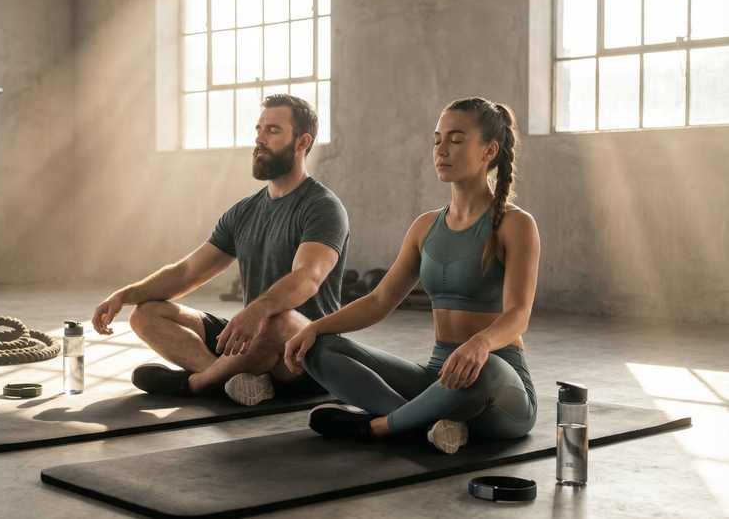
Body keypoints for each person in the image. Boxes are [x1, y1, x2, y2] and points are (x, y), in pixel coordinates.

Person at [284, 97, 539, 454]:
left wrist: (480, 343)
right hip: (437, 377)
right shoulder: (424, 227)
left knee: (487, 370)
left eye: (456, 139)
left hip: (496, 387)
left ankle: (380, 427)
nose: (442, 149)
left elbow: (518, 314)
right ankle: (429, 425)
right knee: (320, 348)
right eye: (437, 140)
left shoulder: (516, 224)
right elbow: (378, 300)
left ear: (489, 150)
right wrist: (314, 328)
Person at [92, 94, 349, 406]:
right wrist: (125, 294)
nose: (259, 139)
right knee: (145, 313)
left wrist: (257, 309)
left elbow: (308, 277)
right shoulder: (244, 211)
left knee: (278, 320)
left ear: (301, 142)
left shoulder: (322, 207)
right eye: (259, 129)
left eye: (273, 131)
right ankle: (233, 380)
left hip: (305, 352)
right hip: (255, 339)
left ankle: (198, 382)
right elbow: (187, 272)